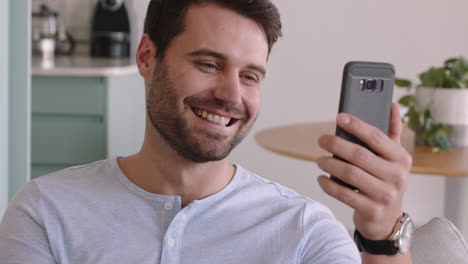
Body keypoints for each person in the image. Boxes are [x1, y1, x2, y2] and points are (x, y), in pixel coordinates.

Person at [0, 0, 413, 263]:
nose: (232, 95)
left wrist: (382, 238)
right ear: (147, 57)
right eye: (209, 65)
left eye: (250, 75)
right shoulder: (46, 213)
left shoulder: (304, 231)